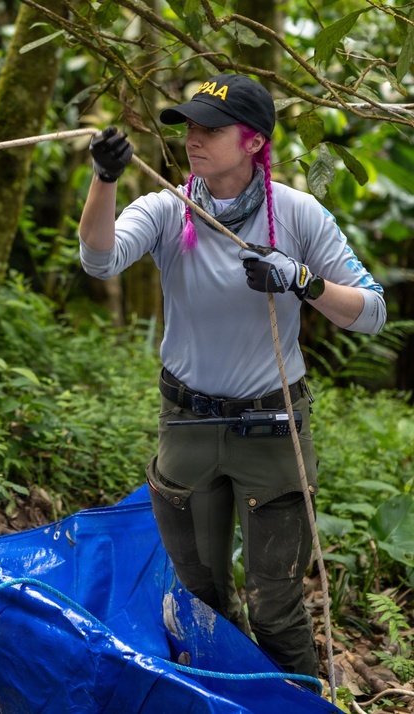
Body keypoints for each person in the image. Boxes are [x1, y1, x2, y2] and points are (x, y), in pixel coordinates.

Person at [77, 73, 386, 689]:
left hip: (272, 432)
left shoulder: (297, 213)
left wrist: (303, 280)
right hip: (188, 425)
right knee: (200, 599)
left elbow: (373, 313)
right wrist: (105, 179)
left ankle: (301, 703)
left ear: (253, 142)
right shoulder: (169, 206)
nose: (194, 139)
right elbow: (99, 258)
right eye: (190, 127)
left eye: (211, 129)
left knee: (276, 608)